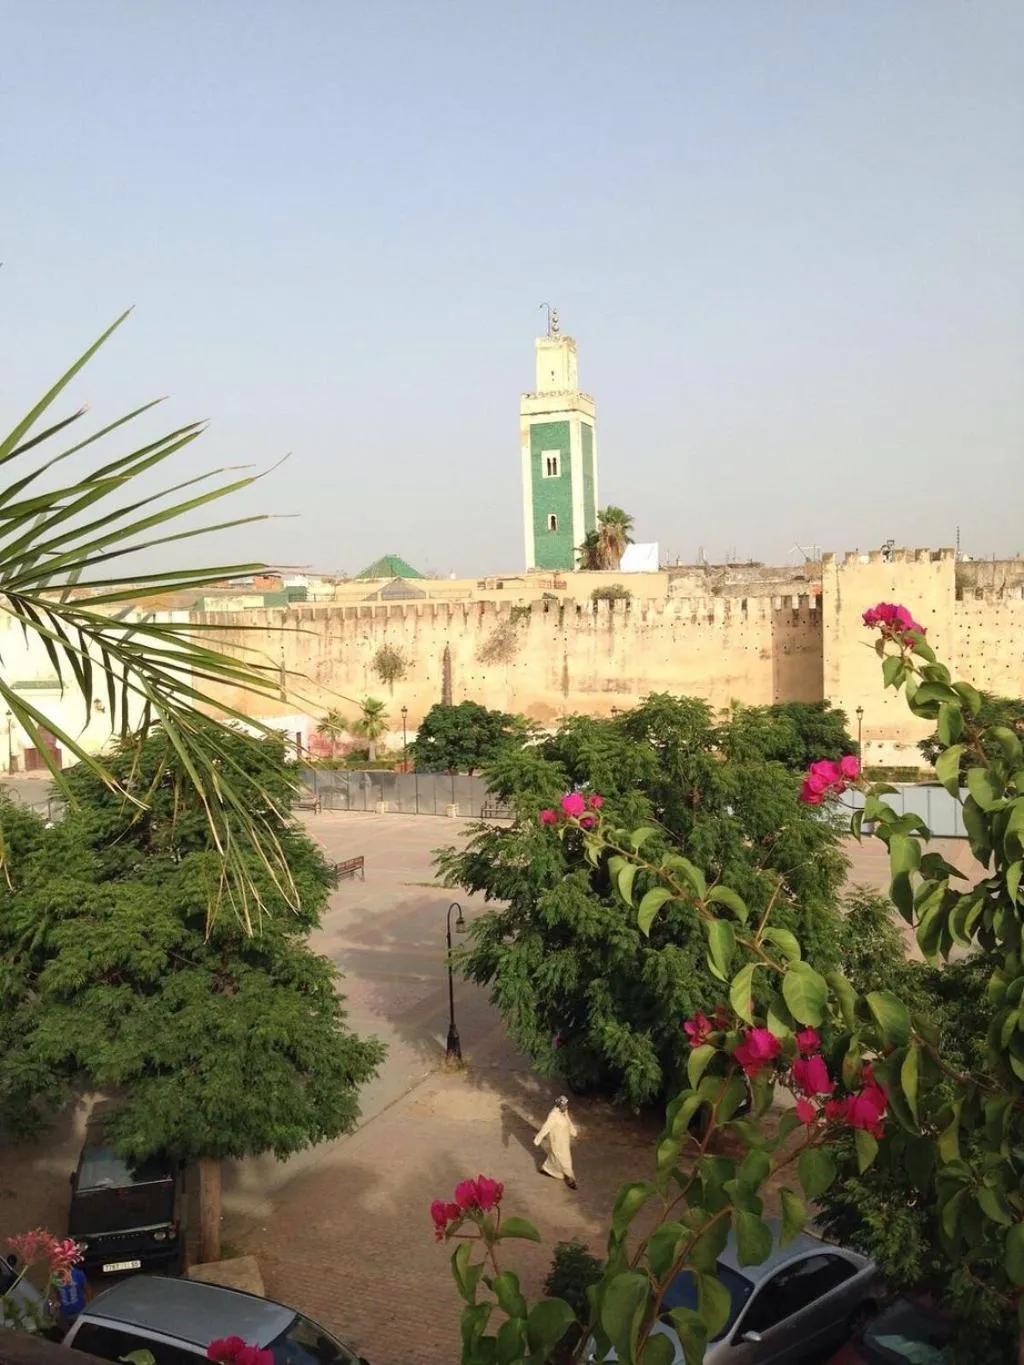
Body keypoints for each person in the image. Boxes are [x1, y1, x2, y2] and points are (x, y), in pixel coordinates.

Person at [534, 1095, 578, 1190]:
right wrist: (538, 1139)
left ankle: (547, 1169)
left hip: (564, 1143)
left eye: (566, 1105)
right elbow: (546, 1128)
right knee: (566, 1161)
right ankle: (571, 1179)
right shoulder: (553, 1115)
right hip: (556, 1143)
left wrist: (573, 1132)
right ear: (559, 1105)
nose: (566, 1107)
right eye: (564, 1105)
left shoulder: (564, 1113)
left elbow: (568, 1123)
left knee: (556, 1158)